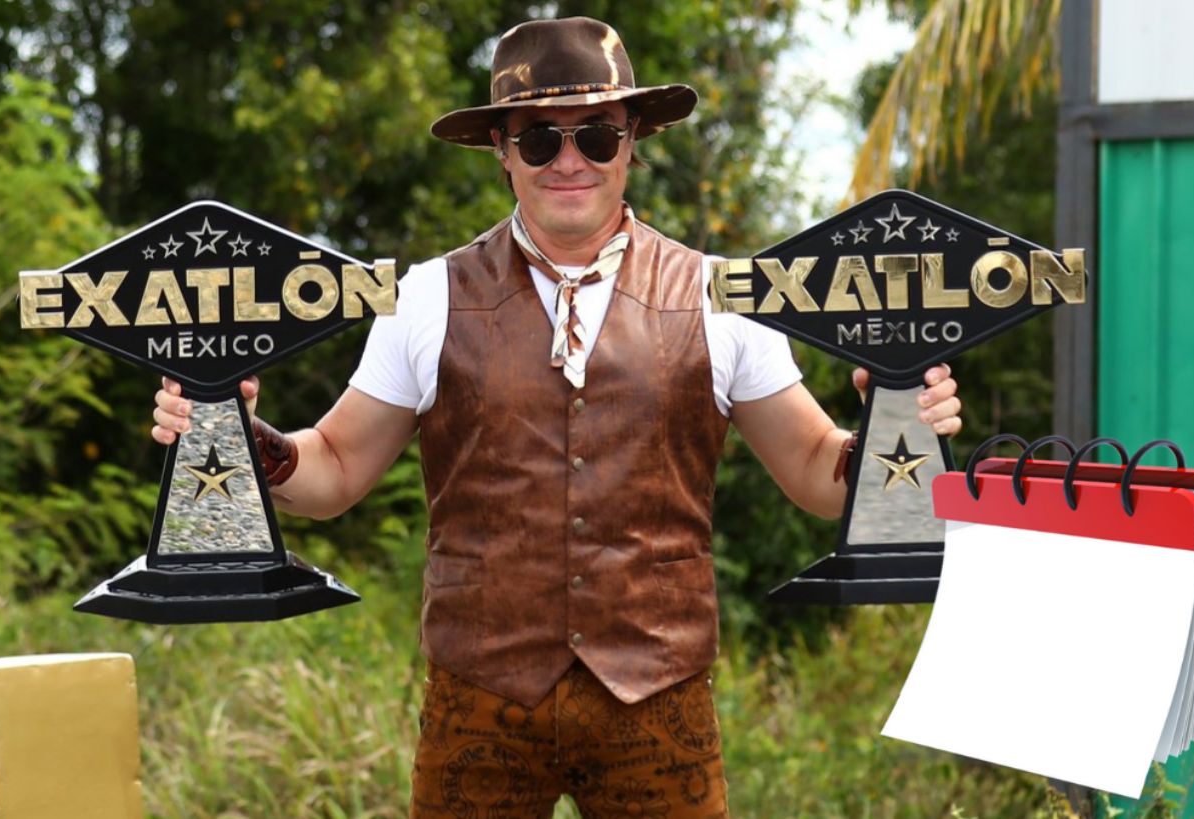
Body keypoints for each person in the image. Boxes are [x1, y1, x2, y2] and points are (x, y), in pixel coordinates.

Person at [151, 16, 962, 817]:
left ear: (633, 141)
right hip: (479, 700)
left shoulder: (721, 295)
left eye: (597, 136)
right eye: (539, 139)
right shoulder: (426, 297)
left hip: (659, 697)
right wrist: (240, 441)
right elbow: (333, 469)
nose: (569, 160)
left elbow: (817, 472)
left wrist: (900, 423)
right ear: (501, 150)